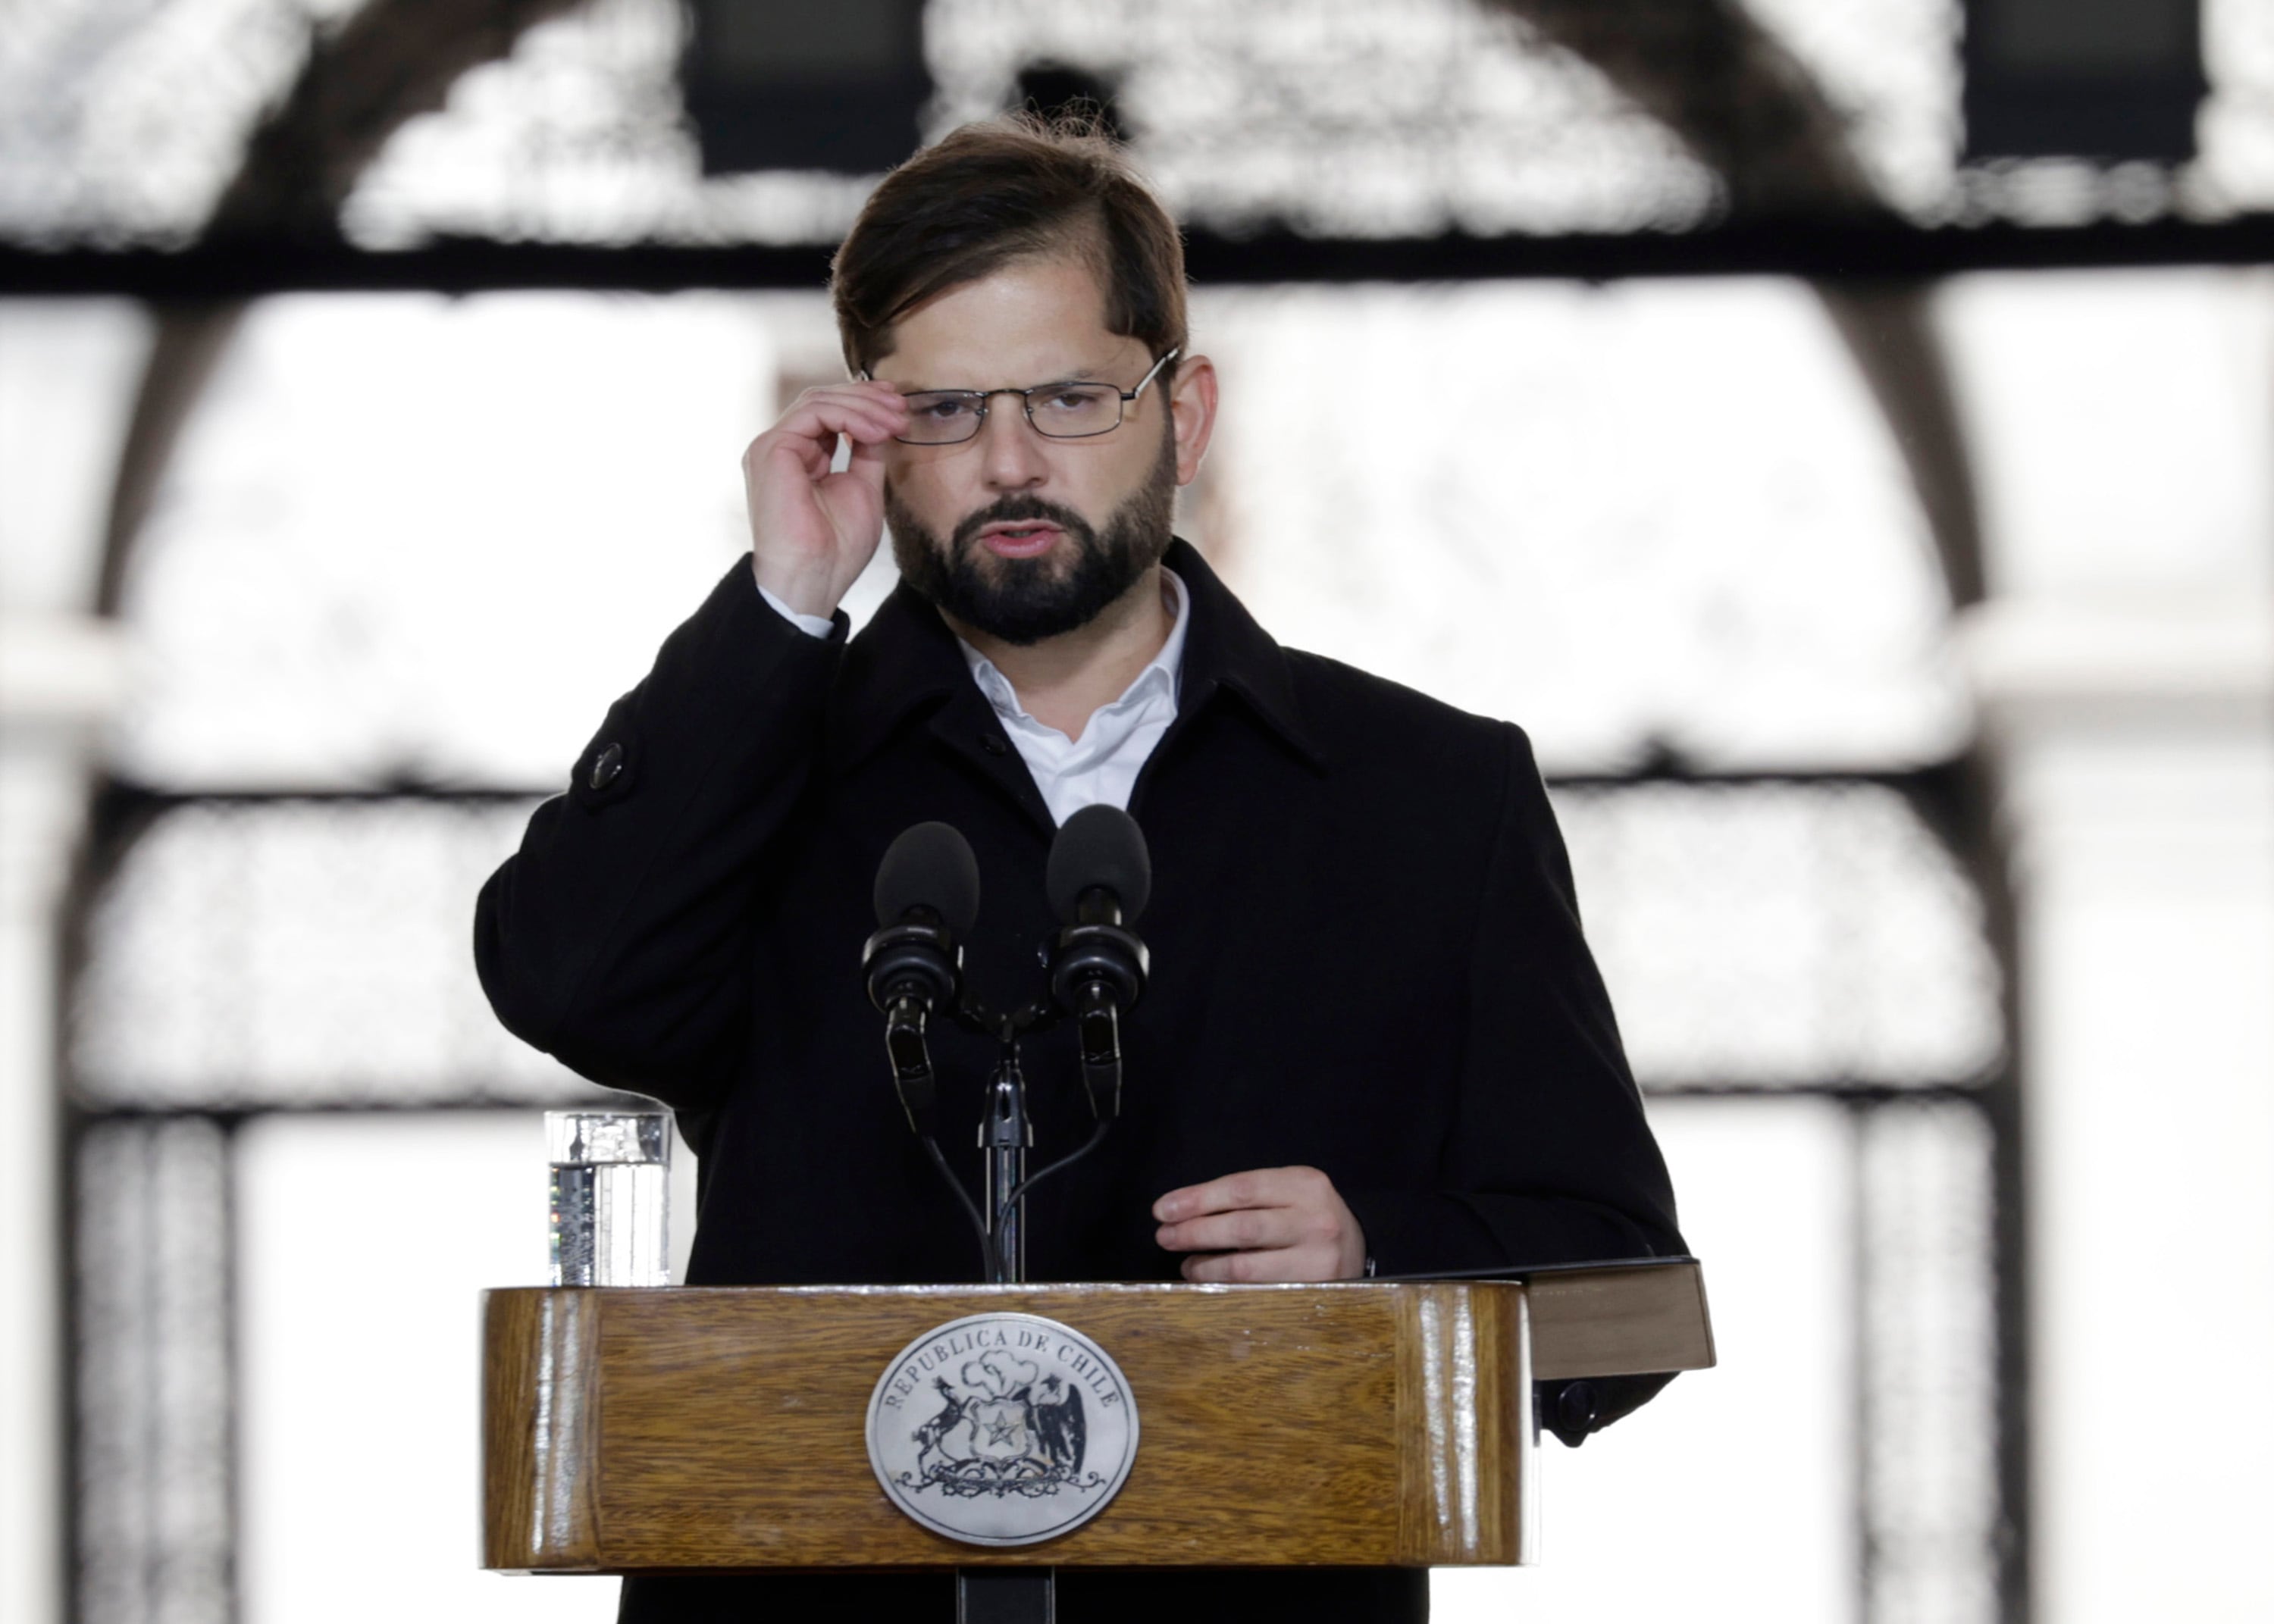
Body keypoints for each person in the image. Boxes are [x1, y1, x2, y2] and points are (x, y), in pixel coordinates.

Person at [475, 114, 1683, 1624]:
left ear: (1184, 416)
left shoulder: (1430, 797)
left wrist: (1382, 1251)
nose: (1009, 459)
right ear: (867, 431)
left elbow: (1624, 1299)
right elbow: (569, 980)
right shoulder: (758, 763)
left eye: (1070, 395)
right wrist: (785, 598)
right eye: (945, 407)